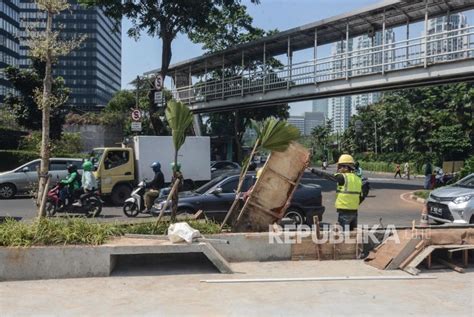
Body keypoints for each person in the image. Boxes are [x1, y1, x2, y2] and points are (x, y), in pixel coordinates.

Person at [311, 154, 363, 231]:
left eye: (340, 166)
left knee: (343, 237)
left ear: (346, 167)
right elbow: (361, 195)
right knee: (352, 236)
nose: (338, 169)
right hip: (354, 212)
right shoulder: (358, 179)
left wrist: (313, 170)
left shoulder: (342, 177)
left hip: (344, 213)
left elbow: (327, 176)